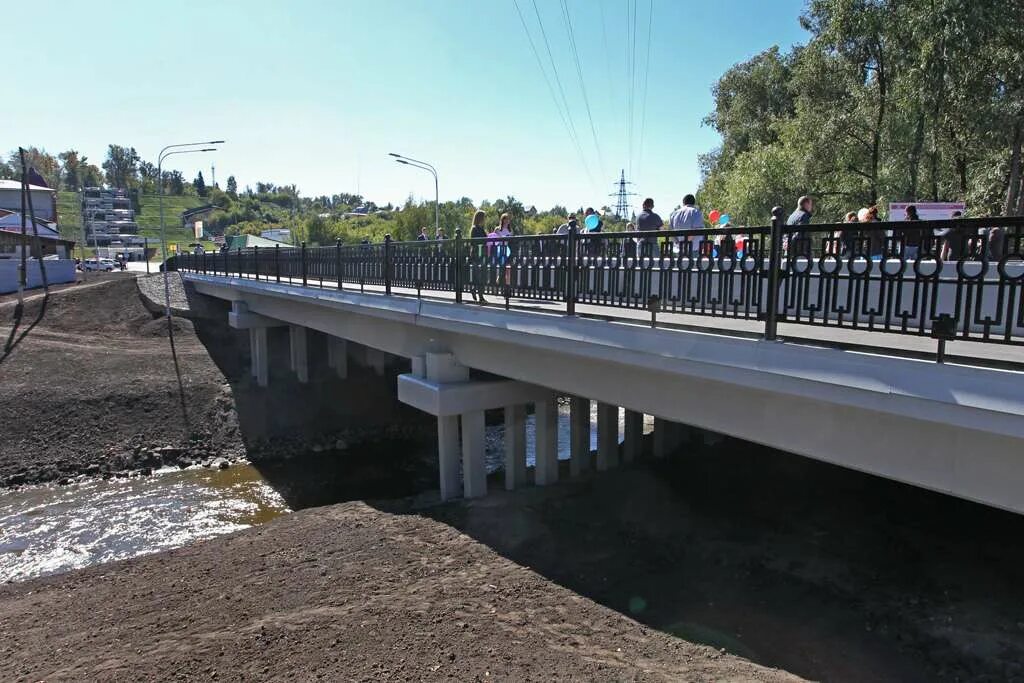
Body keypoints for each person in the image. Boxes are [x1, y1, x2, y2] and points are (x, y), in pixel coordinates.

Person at [469, 210, 488, 304]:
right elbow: (473, 242)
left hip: (482, 254)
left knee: (482, 276)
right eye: (484, 217)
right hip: (477, 255)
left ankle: (474, 289)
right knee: (479, 276)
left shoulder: (482, 228)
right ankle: (480, 296)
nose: (485, 220)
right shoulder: (474, 228)